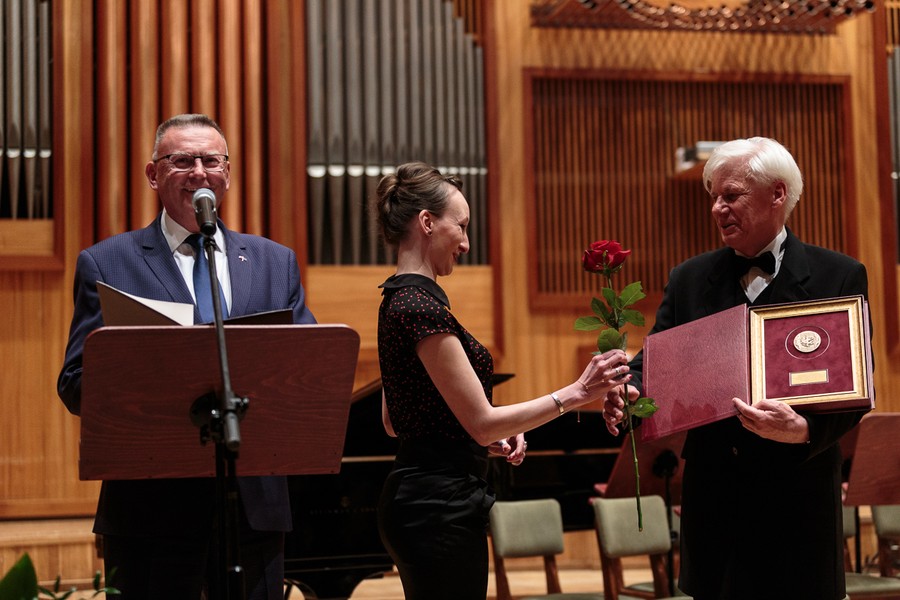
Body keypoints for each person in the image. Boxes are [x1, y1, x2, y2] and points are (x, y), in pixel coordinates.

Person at [57, 113, 316, 600]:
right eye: (182, 161)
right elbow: (75, 381)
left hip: (252, 509)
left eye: (210, 160)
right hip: (151, 508)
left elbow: (307, 367)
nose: (199, 172)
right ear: (154, 175)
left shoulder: (272, 261)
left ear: (228, 172)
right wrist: (144, 375)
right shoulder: (107, 262)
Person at [602, 137, 870, 600]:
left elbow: (857, 389)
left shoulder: (838, 276)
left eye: (731, 195)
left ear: (778, 194)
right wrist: (631, 394)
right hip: (715, 507)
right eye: (714, 198)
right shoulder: (687, 277)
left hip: (798, 505)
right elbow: (654, 366)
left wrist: (804, 429)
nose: (718, 208)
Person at [372, 161, 632, 600]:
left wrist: (477, 435)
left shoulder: (396, 299)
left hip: (423, 502)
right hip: (438, 509)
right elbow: (483, 422)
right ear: (427, 222)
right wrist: (578, 392)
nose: (468, 243)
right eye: (463, 226)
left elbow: (395, 423)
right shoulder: (420, 308)